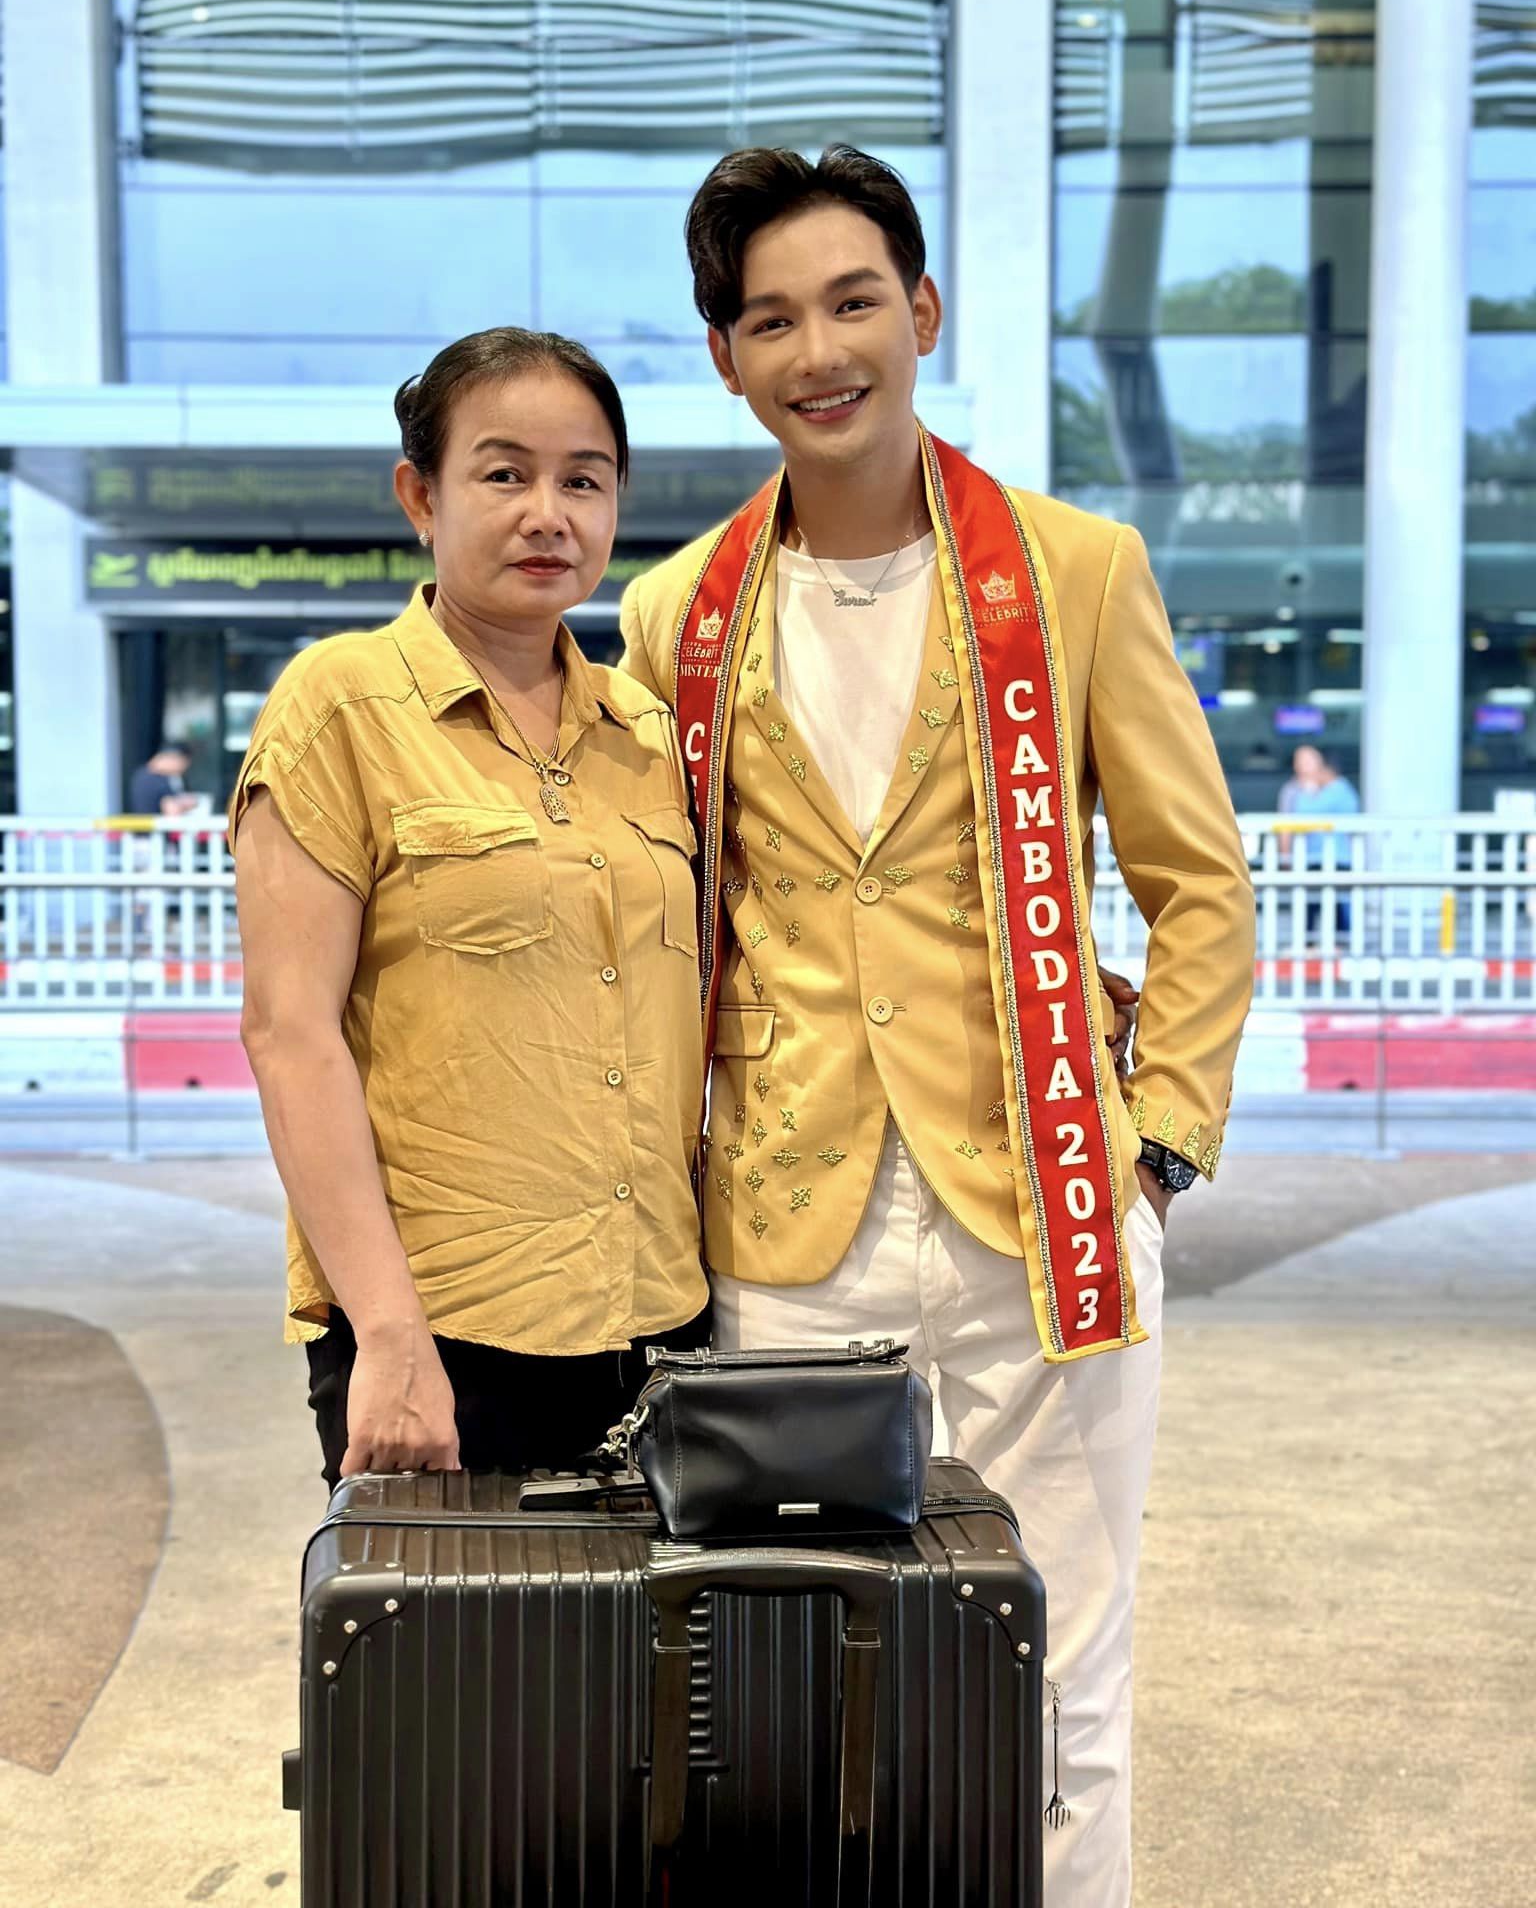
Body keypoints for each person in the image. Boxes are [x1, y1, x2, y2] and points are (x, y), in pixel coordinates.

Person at [621, 146, 1256, 1907]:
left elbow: (1199, 881)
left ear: (923, 309)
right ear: (726, 358)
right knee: (790, 1687)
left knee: (1059, 1671)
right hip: (781, 1227)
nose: (820, 350)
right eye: (771, 320)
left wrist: (1156, 1145)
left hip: (1042, 1206)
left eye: (852, 302)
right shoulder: (674, 615)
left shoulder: (1076, 569)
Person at [232, 327, 709, 1488]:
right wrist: (389, 1334)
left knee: (678, 1624)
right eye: (504, 473)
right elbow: (290, 1035)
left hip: (662, 1329)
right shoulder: (341, 706)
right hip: (446, 1338)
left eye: (583, 480)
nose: (549, 513)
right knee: (461, 1619)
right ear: (421, 495)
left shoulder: (646, 733)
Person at [1277, 742, 1361, 942]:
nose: (1302, 767)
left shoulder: (1339, 790)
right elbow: (1287, 824)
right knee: (1311, 906)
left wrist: (1307, 790)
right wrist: (1286, 856)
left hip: (1336, 859)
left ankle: (1338, 944)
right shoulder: (1293, 789)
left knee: (1335, 906)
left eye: (1308, 761)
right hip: (1311, 859)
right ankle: (1312, 944)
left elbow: (1305, 814)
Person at [129, 742, 198, 817]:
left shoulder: (141, 774)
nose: (182, 770)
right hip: (156, 823)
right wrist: (185, 804)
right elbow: (173, 812)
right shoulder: (158, 781)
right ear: (175, 759)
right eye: (183, 764)